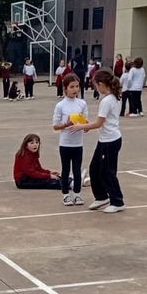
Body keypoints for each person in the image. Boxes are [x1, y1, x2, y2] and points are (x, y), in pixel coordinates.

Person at [70, 68, 124, 213]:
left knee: (107, 172)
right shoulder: (113, 97)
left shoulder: (107, 100)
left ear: (101, 84)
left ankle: (117, 201)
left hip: (110, 141)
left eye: (96, 85)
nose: (96, 88)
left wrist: (81, 126)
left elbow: (99, 123)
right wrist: (87, 125)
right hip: (105, 140)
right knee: (94, 169)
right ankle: (101, 197)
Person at [52, 73, 89, 205]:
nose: (75, 89)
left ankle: (77, 194)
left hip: (78, 143)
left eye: (77, 86)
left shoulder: (82, 104)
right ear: (65, 88)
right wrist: (66, 124)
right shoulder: (60, 105)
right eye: (72, 87)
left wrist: (85, 126)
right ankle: (65, 195)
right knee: (66, 169)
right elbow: (55, 126)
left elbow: (86, 123)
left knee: (77, 170)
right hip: (65, 143)